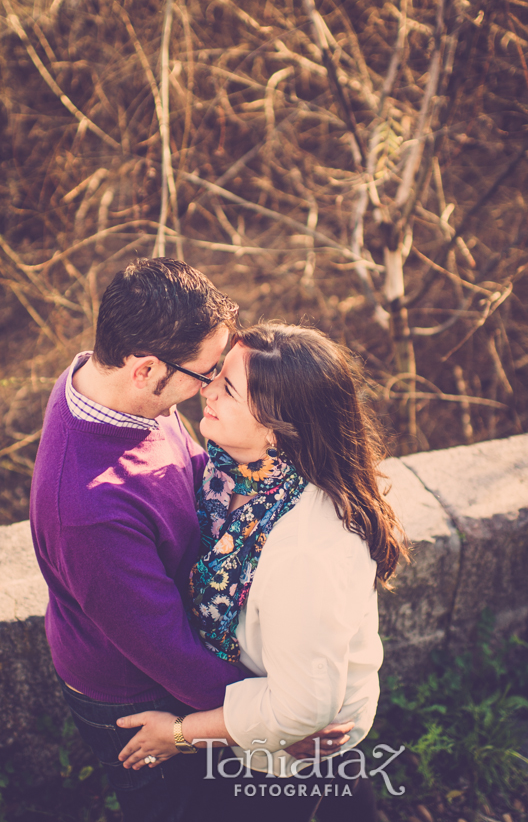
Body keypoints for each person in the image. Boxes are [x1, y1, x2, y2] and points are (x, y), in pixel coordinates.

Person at [29, 260, 349, 822]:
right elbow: (169, 652)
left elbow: (191, 467)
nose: (210, 392)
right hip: (136, 692)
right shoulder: (89, 511)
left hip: (167, 650)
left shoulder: (108, 387)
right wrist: (278, 724)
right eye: (207, 375)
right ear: (146, 369)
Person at [116, 323, 410, 822]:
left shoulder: (306, 550)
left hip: (292, 765)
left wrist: (179, 733)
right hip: (266, 737)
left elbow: (299, 711)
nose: (206, 387)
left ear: (275, 427)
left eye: (227, 388)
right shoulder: (229, 468)